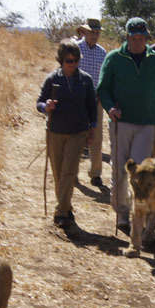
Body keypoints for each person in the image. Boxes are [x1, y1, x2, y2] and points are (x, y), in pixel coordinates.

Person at [97, 17, 155, 235]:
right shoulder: (114, 58)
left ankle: (138, 216)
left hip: (147, 124)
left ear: (147, 37)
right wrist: (110, 108)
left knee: (141, 173)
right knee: (120, 169)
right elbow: (103, 89)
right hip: (120, 123)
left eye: (141, 38)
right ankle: (121, 214)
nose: (138, 42)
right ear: (127, 37)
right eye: (133, 38)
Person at [36, 39, 98, 228]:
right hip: (55, 131)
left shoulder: (85, 80)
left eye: (76, 60)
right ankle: (67, 207)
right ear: (61, 61)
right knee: (59, 174)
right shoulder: (52, 79)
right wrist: (46, 106)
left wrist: (92, 129)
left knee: (69, 172)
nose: (73, 64)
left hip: (78, 131)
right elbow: (39, 103)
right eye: (69, 61)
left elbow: (92, 107)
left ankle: (61, 212)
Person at [75, 18, 108, 187]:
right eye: (92, 32)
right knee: (77, 136)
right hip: (77, 100)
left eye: (97, 33)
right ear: (84, 32)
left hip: (96, 101)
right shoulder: (76, 49)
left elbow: (105, 77)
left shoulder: (102, 52)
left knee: (96, 137)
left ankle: (95, 173)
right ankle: (72, 171)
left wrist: (101, 95)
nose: (95, 35)